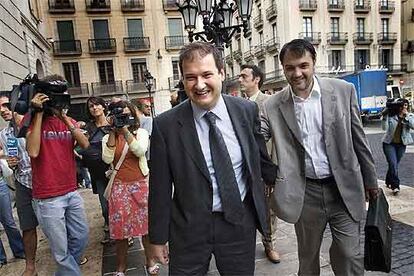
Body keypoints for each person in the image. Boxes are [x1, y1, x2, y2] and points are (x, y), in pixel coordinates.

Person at [148, 42, 277, 275]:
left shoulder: (246, 110)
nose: (199, 85)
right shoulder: (165, 125)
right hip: (188, 230)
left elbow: (260, 160)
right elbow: (159, 188)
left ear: (221, 73)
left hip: (239, 223)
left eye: (207, 74)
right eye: (190, 77)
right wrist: (157, 239)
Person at [260, 39, 379, 276]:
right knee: (308, 258)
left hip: (343, 188)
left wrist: (371, 180)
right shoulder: (273, 105)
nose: (297, 73)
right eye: (290, 68)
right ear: (283, 68)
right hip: (305, 194)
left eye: (303, 65)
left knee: (348, 254)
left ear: (314, 62)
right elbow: (255, 135)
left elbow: (359, 139)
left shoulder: (343, 91)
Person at [26, 74, 90, 276]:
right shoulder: (32, 120)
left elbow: (85, 144)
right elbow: (33, 151)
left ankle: (64, 273)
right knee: (60, 250)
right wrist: (37, 113)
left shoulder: (66, 120)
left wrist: (63, 117)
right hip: (48, 196)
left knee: (81, 236)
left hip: (71, 191)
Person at [101, 100, 158, 276]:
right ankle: (121, 267)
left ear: (132, 115)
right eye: (119, 115)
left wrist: (125, 130)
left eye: (126, 115)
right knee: (120, 231)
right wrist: (113, 131)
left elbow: (140, 151)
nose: (123, 118)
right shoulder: (107, 137)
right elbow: (106, 158)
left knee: (146, 228)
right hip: (119, 187)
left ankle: (150, 261)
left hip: (140, 184)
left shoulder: (140, 133)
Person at [239, 64, 280, 264]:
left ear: (256, 79)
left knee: (269, 208)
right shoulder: (238, 105)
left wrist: (273, 168)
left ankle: (269, 244)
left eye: (244, 76)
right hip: (245, 167)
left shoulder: (269, 102)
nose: (240, 80)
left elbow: (276, 137)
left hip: (266, 166)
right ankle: (246, 243)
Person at [0, 92, 35, 275]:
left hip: (43, 182)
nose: (3, 110)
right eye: (0, 108)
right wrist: (11, 164)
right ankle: (30, 267)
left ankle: (67, 255)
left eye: (6, 105)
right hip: (22, 183)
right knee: (27, 226)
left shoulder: (33, 125)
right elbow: (11, 159)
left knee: (54, 225)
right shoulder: (4, 134)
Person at [80, 96, 111, 242]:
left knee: (118, 203)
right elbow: (82, 146)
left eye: (97, 105)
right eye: (91, 106)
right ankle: (109, 227)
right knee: (104, 205)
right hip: (97, 171)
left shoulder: (112, 123)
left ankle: (124, 234)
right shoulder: (87, 127)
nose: (94, 108)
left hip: (114, 170)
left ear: (103, 106)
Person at [381, 98, 414, 195]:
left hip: (401, 144)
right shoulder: (391, 116)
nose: (404, 107)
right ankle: (395, 186)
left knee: (394, 165)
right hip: (389, 143)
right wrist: (384, 116)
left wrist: (406, 116)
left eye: (406, 105)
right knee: (393, 164)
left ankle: (388, 180)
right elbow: (384, 128)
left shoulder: (410, 116)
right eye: (402, 105)